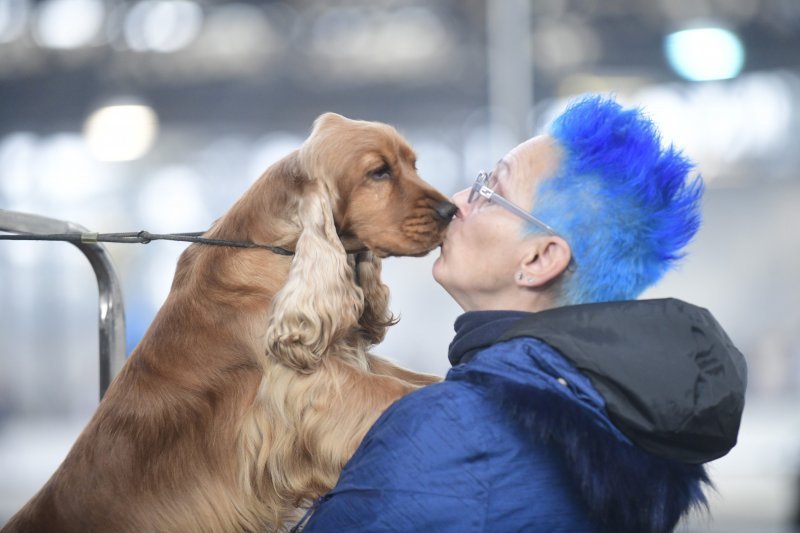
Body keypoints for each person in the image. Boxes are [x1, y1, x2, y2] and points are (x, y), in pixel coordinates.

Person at [299, 95, 747, 532]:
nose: (456, 200)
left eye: (490, 192)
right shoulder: (630, 427)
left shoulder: (454, 430)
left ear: (538, 259)